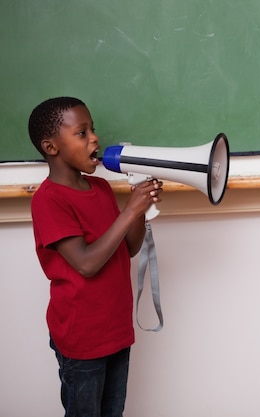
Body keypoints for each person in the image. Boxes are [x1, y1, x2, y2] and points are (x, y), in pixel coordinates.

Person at [28, 96, 163, 416]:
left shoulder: (101, 188)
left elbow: (128, 248)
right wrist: (130, 211)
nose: (95, 139)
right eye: (82, 132)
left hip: (116, 330)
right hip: (82, 339)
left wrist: (140, 210)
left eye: (93, 130)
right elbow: (87, 263)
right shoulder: (49, 200)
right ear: (51, 147)